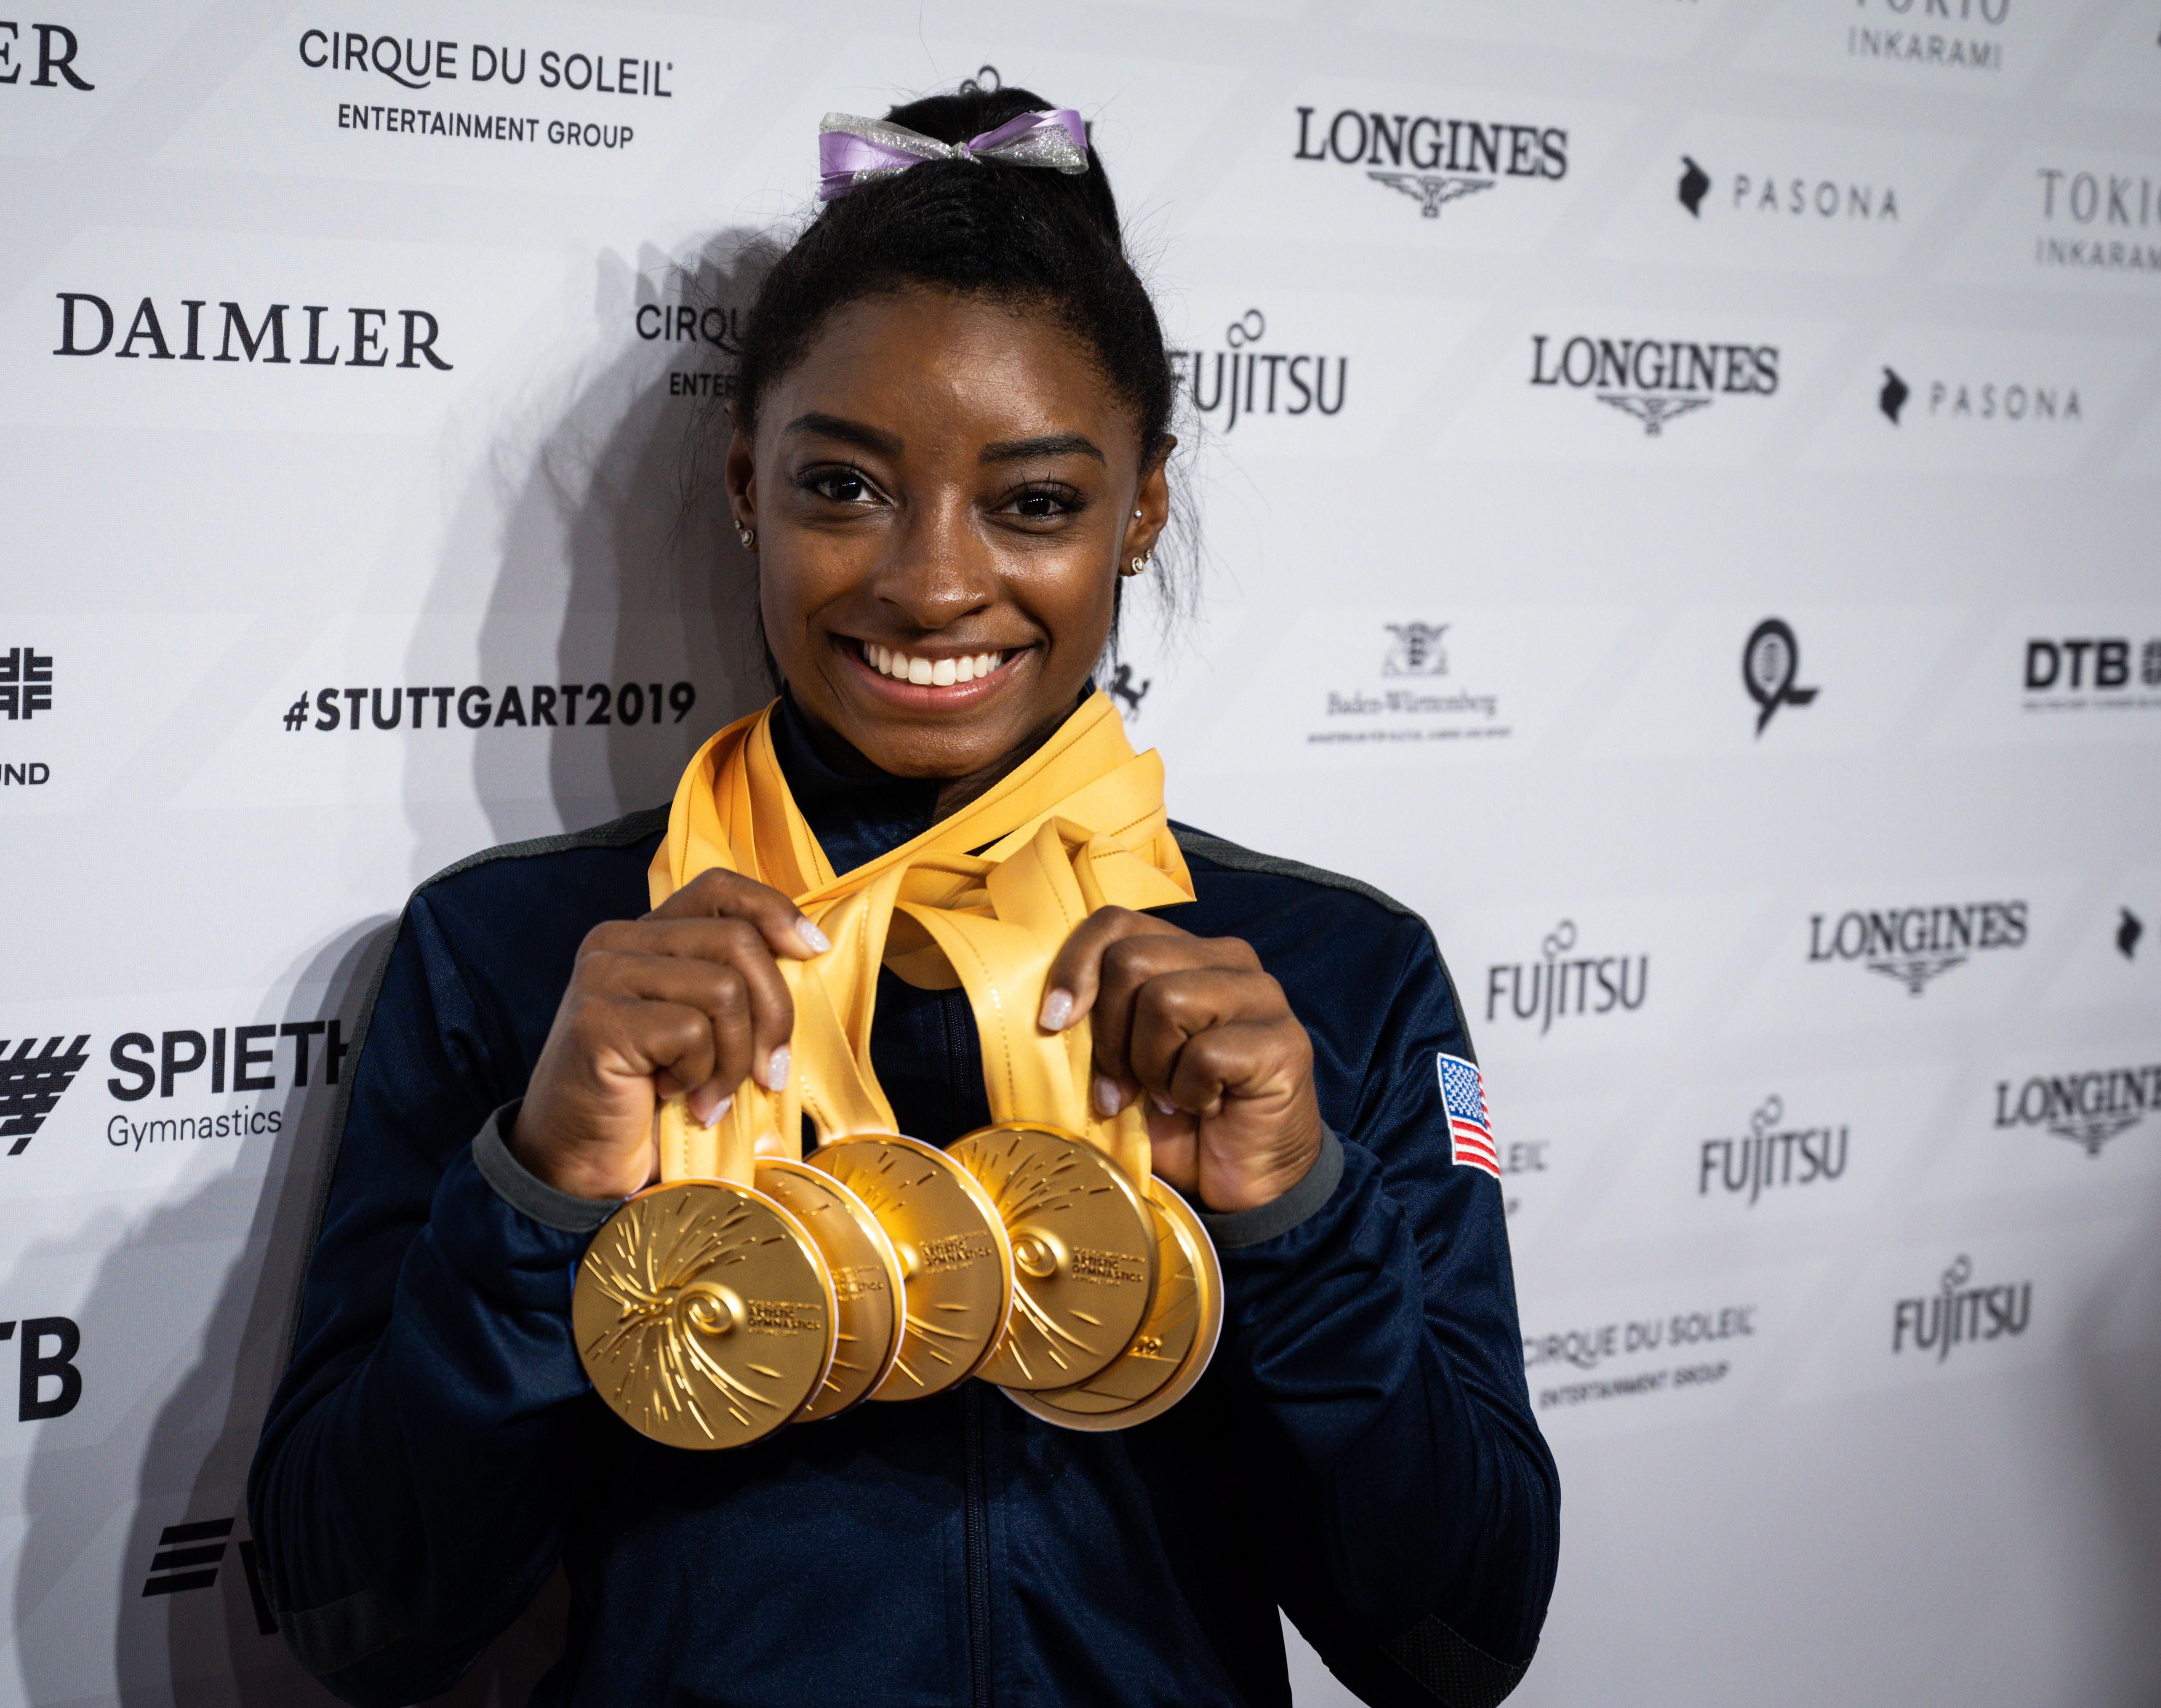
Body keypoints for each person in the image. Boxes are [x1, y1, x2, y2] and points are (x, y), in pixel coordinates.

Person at [249, 82, 1559, 1708]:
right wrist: (543, 1196)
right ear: (745, 485)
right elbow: (355, 1616)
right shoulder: (523, 959)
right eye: (843, 487)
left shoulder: (1325, 975)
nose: (932, 581)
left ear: (1137, 511)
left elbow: (1457, 1639)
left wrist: (1292, 1217)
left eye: (1033, 503)